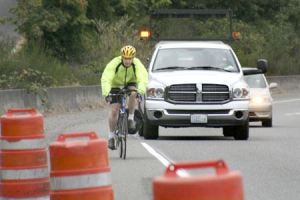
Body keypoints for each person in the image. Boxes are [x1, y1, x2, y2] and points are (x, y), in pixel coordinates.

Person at [101, 45, 148, 150]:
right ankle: (111, 137)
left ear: (133, 58)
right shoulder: (114, 63)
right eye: (125, 58)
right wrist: (106, 93)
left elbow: (142, 78)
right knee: (114, 110)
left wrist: (140, 91)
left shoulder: (137, 64)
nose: (127, 61)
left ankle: (130, 118)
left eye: (129, 59)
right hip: (115, 85)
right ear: (122, 57)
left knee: (133, 93)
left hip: (130, 82)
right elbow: (106, 78)